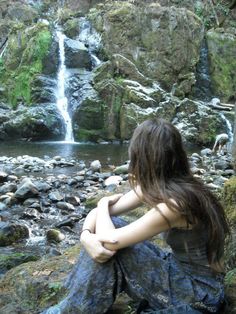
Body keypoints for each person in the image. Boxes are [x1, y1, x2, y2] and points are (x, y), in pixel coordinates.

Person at [42, 118, 229, 314]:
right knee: (110, 226)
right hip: (178, 268)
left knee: (113, 246)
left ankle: (72, 308)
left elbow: (110, 242)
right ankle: (73, 306)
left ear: (141, 157)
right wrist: (86, 235)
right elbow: (99, 218)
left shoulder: (176, 205)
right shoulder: (166, 184)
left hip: (199, 293)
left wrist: (102, 203)